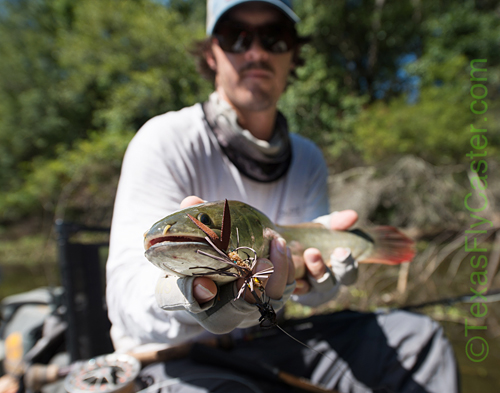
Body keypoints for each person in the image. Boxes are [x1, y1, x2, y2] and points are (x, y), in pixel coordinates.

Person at [106, 1, 460, 391]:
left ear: (293, 53)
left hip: (267, 339)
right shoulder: (165, 140)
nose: (256, 51)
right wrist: (191, 300)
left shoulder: (307, 158)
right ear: (211, 52)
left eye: (274, 37)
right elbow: (125, 299)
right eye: (236, 37)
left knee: (420, 342)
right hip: (171, 357)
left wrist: (317, 287)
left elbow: (303, 290)